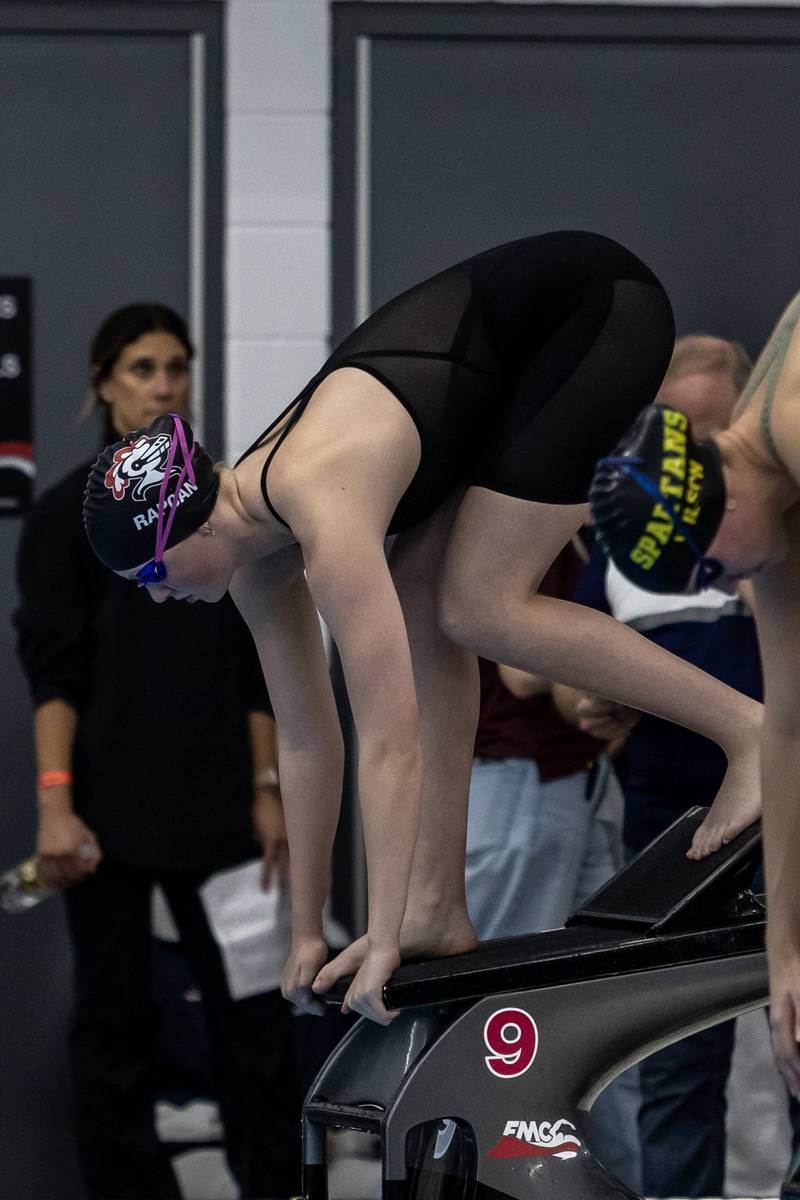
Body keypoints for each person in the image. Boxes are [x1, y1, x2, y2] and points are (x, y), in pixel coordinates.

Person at [81, 232, 763, 1028]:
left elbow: (388, 737)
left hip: (594, 310)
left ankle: (749, 733)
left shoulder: (317, 500)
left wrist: (378, 930)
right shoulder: (256, 561)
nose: (158, 601)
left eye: (153, 578)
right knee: (424, 595)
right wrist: (302, 932)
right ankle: (438, 904)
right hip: (512, 364)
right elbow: (308, 740)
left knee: (480, 606)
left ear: (185, 528)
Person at [15, 304, 301, 1200]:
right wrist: (57, 806)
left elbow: (259, 658)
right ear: (103, 382)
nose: (163, 386)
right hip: (107, 819)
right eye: (142, 368)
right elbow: (52, 673)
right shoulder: (66, 517)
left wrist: (268, 788)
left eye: (176, 367)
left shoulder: (221, 505)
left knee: (254, 1029)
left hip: (222, 809)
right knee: (115, 1026)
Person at [556, 334, 773, 1197]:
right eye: (677, 437)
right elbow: (574, 674)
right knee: (677, 1063)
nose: (694, 464)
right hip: (673, 827)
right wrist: (591, 706)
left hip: (785, 808)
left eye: (711, 435)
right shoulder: (632, 525)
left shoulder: (772, 518)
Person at [587, 291, 800, 1101]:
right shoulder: (767, 497)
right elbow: (785, 730)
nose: (728, 587)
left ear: (724, 502)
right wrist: (786, 958)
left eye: (711, 571)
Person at [465, 540, 641, 1190]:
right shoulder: (525, 514)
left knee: (609, 1011)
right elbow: (522, 664)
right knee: (515, 1023)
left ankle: (620, 1181)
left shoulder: (573, 525)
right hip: (522, 781)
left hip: (573, 777)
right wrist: (623, 671)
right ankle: (504, 1181)